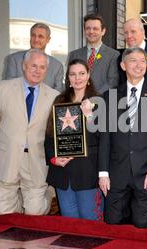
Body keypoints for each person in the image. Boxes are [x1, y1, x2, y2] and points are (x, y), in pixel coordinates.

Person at [0, 49, 60, 215]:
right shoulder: (3, 89)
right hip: (6, 158)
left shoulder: (54, 96)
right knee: (3, 212)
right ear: (24, 66)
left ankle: (46, 194)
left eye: (42, 67)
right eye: (34, 66)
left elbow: (56, 133)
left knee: (35, 212)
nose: (38, 70)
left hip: (36, 161)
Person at [98, 47, 147, 228]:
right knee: (113, 222)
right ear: (123, 65)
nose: (139, 65)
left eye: (143, 61)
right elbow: (105, 138)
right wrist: (103, 173)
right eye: (133, 61)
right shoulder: (110, 96)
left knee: (142, 224)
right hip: (117, 173)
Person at [44, 59, 103, 220]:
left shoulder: (99, 102)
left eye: (82, 73)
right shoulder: (60, 101)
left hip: (88, 172)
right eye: (73, 74)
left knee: (90, 220)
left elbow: (105, 139)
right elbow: (49, 135)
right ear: (68, 78)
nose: (77, 78)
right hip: (63, 172)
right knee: (69, 221)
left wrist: (90, 117)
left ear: (88, 76)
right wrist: (54, 158)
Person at [2, 23, 65, 92]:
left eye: (40, 36)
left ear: (48, 39)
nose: (36, 39)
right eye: (33, 35)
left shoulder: (57, 66)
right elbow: (8, 89)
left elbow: (58, 96)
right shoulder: (14, 60)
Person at [68, 13, 120, 94]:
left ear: (103, 31)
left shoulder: (113, 55)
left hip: (101, 102)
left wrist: (93, 97)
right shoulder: (74, 55)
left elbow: (112, 82)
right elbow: (68, 80)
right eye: (88, 28)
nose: (91, 32)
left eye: (95, 28)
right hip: (77, 102)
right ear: (84, 31)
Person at [117, 18, 147, 85]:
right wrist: (112, 95)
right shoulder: (120, 56)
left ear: (143, 32)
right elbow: (116, 83)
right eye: (126, 33)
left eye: (133, 31)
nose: (129, 36)